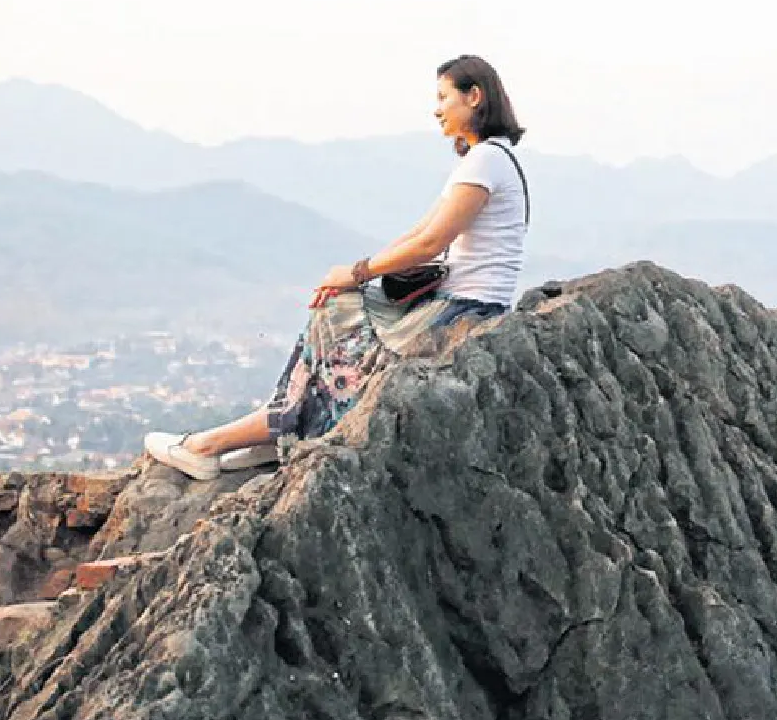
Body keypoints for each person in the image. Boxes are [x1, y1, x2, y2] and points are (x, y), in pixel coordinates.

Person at [144, 55, 529, 480]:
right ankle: (278, 427)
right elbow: (417, 232)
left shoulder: (486, 161)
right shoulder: (484, 159)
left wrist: (357, 274)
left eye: (442, 97)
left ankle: (227, 440)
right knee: (341, 305)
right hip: (461, 304)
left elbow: (430, 244)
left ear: (474, 97)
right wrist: (353, 271)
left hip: (464, 311)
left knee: (338, 312)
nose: (436, 109)